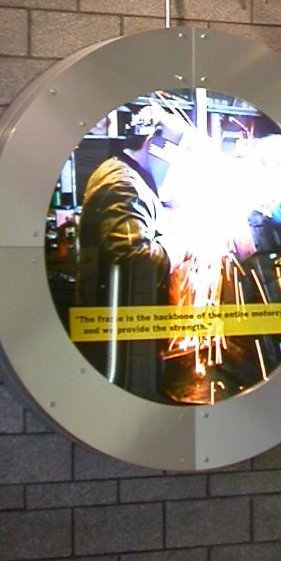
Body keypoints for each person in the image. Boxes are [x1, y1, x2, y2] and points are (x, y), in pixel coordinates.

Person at [75, 156, 169, 395]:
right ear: (154, 144)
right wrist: (178, 248)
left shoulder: (125, 176)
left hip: (119, 338)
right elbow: (136, 259)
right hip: (122, 354)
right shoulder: (124, 184)